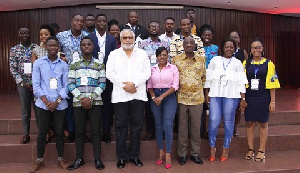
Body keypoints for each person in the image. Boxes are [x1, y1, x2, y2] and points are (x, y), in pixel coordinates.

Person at [106, 29, 151, 169]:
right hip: (120, 96)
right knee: (120, 127)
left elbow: (147, 72)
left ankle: (134, 156)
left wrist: (134, 84)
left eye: (130, 37)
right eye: (124, 38)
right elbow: (109, 73)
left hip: (138, 94)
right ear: (120, 39)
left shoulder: (142, 54)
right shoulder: (114, 54)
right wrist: (124, 86)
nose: (127, 40)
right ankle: (121, 157)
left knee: (137, 126)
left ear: (134, 39)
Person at [204, 38, 248, 162]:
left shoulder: (237, 63)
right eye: (227, 47)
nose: (229, 49)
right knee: (213, 122)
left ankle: (225, 149)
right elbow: (208, 78)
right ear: (222, 48)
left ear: (234, 49)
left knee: (229, 122)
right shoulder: (215, 60)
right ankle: (212, 148)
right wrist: (206, 93)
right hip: (216, 94)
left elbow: (242, 82)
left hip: (232, 96)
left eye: (231, 47)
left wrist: (243, 98)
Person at [31, 37, 69, 172]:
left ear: (58, 48)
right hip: (43, 104)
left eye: (55, 46)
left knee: (59, 132)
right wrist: (47, 102)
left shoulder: (64, 65)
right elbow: (35, 85)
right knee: (42, 133)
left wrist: (57, 101)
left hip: (60, 104)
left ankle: (60, 158)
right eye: (50, 45)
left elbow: (66, 85)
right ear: (46, 47)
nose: (53, 48)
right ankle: (39, 160)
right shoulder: (38, 63)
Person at [67, 37, 106, 170]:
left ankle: (97, 158)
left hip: (95, 103)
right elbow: (70, 84)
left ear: (93, 46)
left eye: (89, 44)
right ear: (80, 47)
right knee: (79, 132)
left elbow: (102, 83)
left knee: (96, 131)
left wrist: (91, 98)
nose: (86, 46)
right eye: (83, 45)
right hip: (79, 103)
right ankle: (79, 158)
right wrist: (81, 98)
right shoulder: (74, 64)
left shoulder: (99, 64)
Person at [243, 37, 280, 162]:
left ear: (262, 49)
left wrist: (272, 101)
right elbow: (242, 82)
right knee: (249, 123)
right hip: (249, 97)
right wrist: (243, 99)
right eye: (253, 47)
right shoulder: (245, 63)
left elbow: (272, 83)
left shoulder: (269, 64)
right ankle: (250, 149)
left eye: (258, 47)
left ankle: (261, 150)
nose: (256, 50)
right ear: (251, 50)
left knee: (263, 123)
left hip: (263, 97)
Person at [172, 37, 206, 165]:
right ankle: (182, 154)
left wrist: (197, 89)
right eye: (186, 43)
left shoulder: (201, 59)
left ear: (195, 45)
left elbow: (203, 77)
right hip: (181, 98)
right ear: (183, 45)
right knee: (182, 128)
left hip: (197, 99)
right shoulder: (176, 60)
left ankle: (195, 154)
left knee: (196, 128)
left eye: (192, 43)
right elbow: (174, 78)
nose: (189, 45)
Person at [56, 14, 88, 142]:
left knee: (81, 105)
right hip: (66, 76)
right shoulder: (61, 36)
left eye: (81, 21)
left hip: (83, 76)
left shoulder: (87, 36)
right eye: (77, 20)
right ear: (71, 22)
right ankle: (71, 131)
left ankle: (82, 132)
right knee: (69, 106)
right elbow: (55, 51)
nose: (79, 23)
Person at [148, 47, 179, 169]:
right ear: (156, 57)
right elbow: (149, 85)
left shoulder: (173, 68)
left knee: (167, 125)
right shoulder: (152, 69)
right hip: (155, 98)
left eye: (164, 55)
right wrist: (154, 97)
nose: (162, 57)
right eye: (160, 55)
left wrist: (162, 97)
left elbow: (175, 85)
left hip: (169, 97)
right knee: (158, 126)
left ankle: (168, 153)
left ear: (168, 56)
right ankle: (160, 151)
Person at [138, 21, 169, 141]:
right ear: (148, 28)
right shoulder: (142, 44)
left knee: (164, 106)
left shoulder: (165, 44)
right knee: (149, 107)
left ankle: (163, 131)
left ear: (159, 28)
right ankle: (151, 131)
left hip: (163, 80)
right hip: (148, 80)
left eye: (156, 26)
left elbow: (169, 61)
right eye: (151, 26)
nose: (154, 28)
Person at [89, 13, 117, 143]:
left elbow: (113, 60)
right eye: (99, 20)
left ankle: (106, 133)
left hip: (107, 79)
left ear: (106, 23)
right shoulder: (89, 38)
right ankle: (95, 133)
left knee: (107, 107)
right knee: (94, 107)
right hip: (92, 78)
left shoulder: (112, 39)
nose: (101, 23)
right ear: (95, 22)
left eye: (104, 21)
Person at [9, 27, 38, 144]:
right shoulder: (14, 50)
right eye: (22, 33)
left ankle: (44, 133)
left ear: (30, 34)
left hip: (37, 84)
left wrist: (36, 83)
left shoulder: (37, 48)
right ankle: (26, 134)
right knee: (25, 110)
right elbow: (13, 68)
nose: (24, 35)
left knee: (39, 110)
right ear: (18, 34)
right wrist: (22, 82)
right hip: (23, 84)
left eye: (27, 32)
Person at [199, 24, 219, 139]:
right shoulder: (197, 47)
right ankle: (202, 129)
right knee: (202, 107)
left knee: (211, 106)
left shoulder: (216, 48)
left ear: (212, 36)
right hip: (201, 81)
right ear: (201, 36)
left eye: (209, 35)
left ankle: (211, 129)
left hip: (213, 81)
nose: (207, 36)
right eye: (205, 34)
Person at [229, 30, 249, 137]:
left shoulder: (243, 52)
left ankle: (235, 128)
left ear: (239, 39)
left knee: (237, 108)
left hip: (238, 83)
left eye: (236, 37)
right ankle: (229, 127)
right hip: (228, 83)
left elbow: (246, 67)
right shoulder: (226, 51)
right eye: (231, 37)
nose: (234, 39)